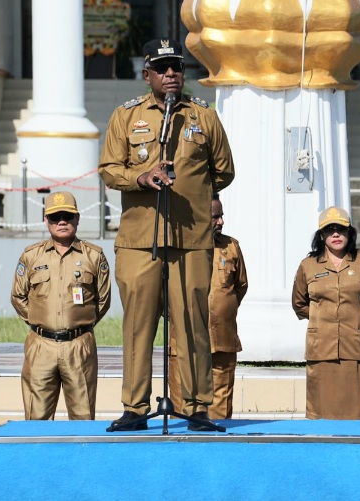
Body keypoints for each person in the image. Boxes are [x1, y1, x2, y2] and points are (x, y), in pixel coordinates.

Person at [98, 38, 235, 432]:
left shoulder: (203, 117)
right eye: (162, 68)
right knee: (138, 325)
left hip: (191, 238)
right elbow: (108, 168)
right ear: (147, 75)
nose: (171, 73)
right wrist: (140, 177)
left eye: (176, 66)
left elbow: (223, 170)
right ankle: (135, 408)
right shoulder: (127, 116)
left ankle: (196, 407)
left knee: (192, 323)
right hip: (141, 238)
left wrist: (195, 190)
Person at [10, 191, 112, 421]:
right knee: (37, 421)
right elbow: (18, 296)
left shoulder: (94, 256)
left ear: (77, 218)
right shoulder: (31, 256)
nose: (62, 221)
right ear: (46, 220)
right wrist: (41, 321)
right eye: (55, 217)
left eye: (68, 215)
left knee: (83, 418)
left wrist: (78, 322)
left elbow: (103, 300)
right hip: (40, 346)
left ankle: (81, 458)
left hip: (79, 346)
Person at [291, 207, 360, 420]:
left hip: (356, 348)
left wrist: (355, 317)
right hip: (321, 347)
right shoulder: (308, 265)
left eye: (341, 229)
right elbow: (299, 303)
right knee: (321, 413)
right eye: (330, 230)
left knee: (358, 412)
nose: (336, 234)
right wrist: (322, 319)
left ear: (350, 233)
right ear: (321, 235)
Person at [168, 194, 248, 419]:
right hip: (185, 345)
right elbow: (163, 297)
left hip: (221, 342)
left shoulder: (231, 246)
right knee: (182, 415)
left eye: (221, 216)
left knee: (219, 414)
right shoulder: (177, 247)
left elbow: (240, 287)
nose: (221, 222)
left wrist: (222, 310)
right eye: (215, 217)